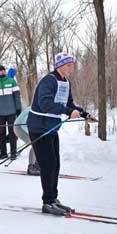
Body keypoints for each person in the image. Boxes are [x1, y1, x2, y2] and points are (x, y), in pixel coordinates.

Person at [27, 52, 96, 216]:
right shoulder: (48, 81)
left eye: (72, 65)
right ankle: (47, 202)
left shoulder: (65, 82)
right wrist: (67, 111)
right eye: (68, 65)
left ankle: (53, 199)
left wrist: (84, 114)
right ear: (59, 66)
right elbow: (45, 104)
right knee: (48, 164)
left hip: (51, 128)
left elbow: (69, 103)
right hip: (39, 127)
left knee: (55, 164)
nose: (71, 68)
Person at [0, 64, 22, 160]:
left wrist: (18, 109)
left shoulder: (11, 82)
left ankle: (13, 153)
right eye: (0, 71)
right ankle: (3, 153)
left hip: (11, 112)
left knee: (12, 133)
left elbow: (17, 96)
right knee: (2, 133)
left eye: (3, 70)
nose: (2, 72)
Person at [13, 107, 40, 175]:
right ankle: (31, 167)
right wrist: (33, 135)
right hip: (19, 127)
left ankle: (37, 164)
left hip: (26, 127)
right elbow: (25, 123)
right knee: (35, 143)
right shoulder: (34, 109)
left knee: (39, 143)